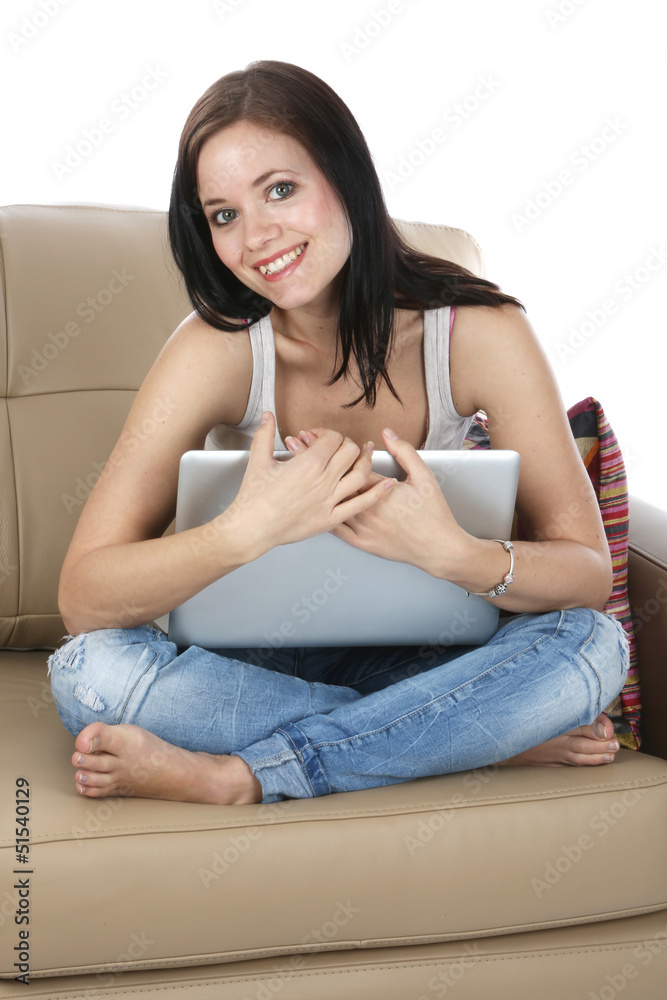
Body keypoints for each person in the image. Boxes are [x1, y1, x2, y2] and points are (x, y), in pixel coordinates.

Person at [48, 60, 629, 805]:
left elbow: (586, 576)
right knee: (88, 675)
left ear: (345, 176)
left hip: (432, 657)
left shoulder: (482, 334)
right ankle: (462, 739)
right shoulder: (214, 348)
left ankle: (248, 776)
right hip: (251, 667)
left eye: (280, 190)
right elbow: (82, 598)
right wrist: (245, 531)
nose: (257, 237)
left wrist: (455, 553)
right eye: (223, 215)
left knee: (590, 646)